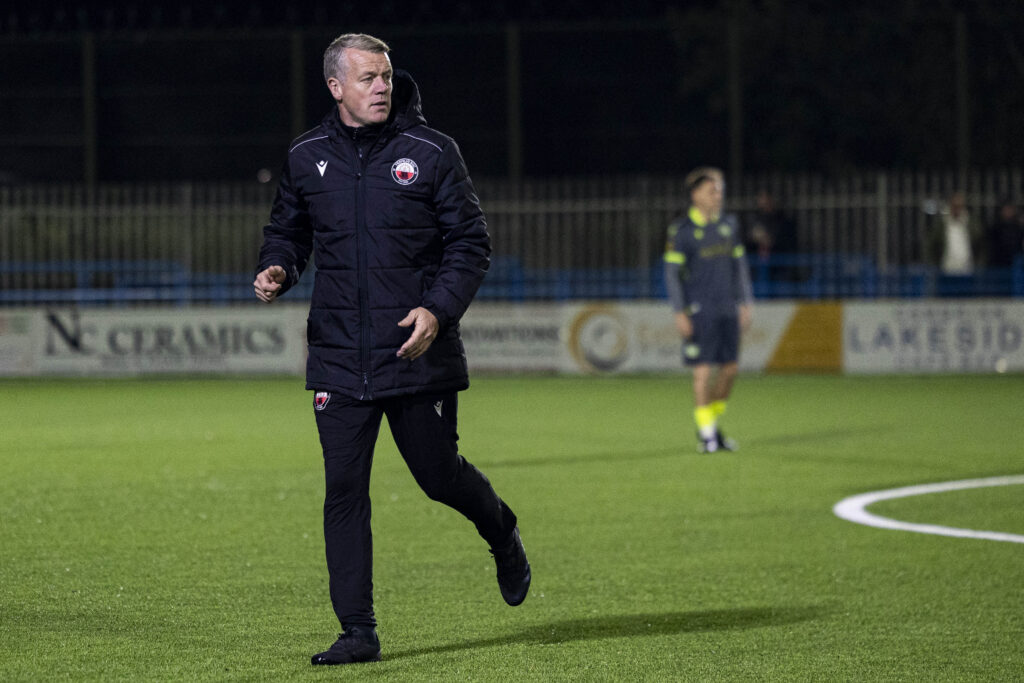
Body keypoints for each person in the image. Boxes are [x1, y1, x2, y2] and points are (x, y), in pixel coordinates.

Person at [253, 33, 530, 666]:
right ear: (336, 87)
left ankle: (502, 530)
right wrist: (277, 266)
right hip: (337, 356)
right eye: (368, 77)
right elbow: (288, 232)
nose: (382, 85)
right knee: (344, 490)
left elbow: (470, 244)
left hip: (414, 353)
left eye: (385, 75)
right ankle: (359, 632)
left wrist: (437, 310)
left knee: (438, 478)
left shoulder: (431, 152)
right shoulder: (306, 155)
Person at [663, 167, 753, 454]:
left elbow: (740, 267)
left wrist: (746, 302)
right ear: (695, 195)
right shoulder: (682, 231)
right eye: (711, 190)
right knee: (702, 372)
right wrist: (680, 312)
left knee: (730, 370)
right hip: (700, 311)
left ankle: (710, 427)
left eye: (719, 190)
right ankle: (708, 437)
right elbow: (671, 275)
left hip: (728, 308)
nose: (718, 196)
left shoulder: (729, 225)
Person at [929, 191, 983, 296]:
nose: (957, 209)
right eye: (955, 206)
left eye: (960, 206)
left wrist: (979, 264)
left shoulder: (971, 223)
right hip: (946, 271)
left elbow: (981, 244)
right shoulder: (942, 224)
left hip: (967, 271)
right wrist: (934, 264)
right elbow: (931, 245)